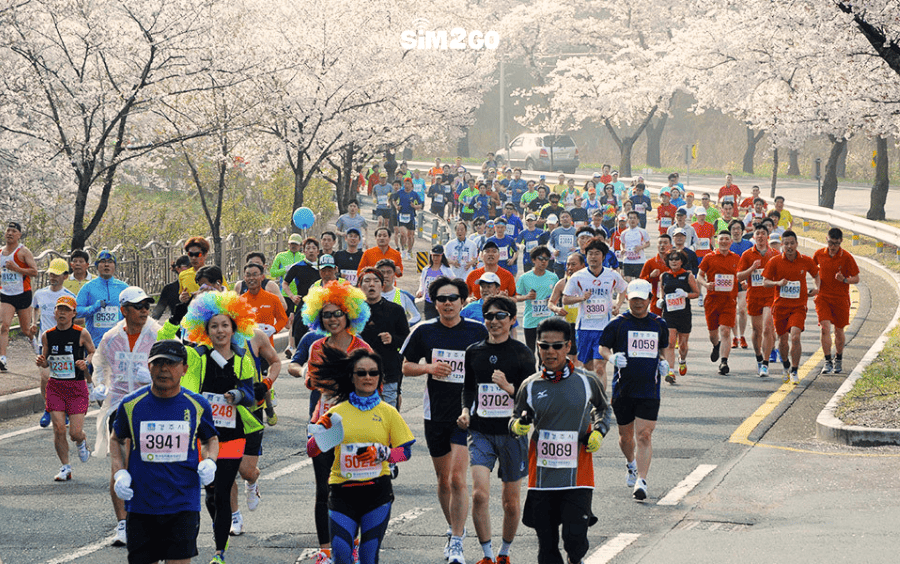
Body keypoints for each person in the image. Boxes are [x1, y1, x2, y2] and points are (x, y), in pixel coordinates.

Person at [401, 277, 489, 564]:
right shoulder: (424, 331)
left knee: (456, 478)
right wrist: (428, 367)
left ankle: (457, 540)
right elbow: (405, 366)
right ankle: (453, 529)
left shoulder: (477, 331)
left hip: (468, 414)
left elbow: (492, 361)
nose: (447, 303)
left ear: (462, 301)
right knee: (442, 481)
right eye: (441, 299)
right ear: (435, 303)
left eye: (453, 298)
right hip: (435, 412)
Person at [110, 340, 219, 564]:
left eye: (171, 363)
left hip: (182, 503)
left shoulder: (196, 405)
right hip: (142, 504)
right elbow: (117, 439)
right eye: (158, 363)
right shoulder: (131, 404)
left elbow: (210, 439)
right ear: (149, 367)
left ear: (184, 368)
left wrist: (211, 462)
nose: (164, 369)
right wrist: (119, 472)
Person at [510, 317, 609, 564]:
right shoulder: (530, 386)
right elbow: (515, 419)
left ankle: (576, 559)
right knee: (547, 547)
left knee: (575, 540)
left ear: (568, 347)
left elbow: (604, 409)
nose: (550, 351)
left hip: (578, 476)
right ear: (538, 348)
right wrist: (518, 426)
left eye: (557, 346)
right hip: (542, 477)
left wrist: (598, 431)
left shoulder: (587, 381)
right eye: (544, 346)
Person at [306, 347, 415, 564]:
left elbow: (405, 453)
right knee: (342, 555)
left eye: (373, 373)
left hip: (377, 493)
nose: (368, 377)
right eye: (361, 373)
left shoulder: (388, 412)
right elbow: (312, 450)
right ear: (352, 377)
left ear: (380, 377)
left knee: (367, 556)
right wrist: (321, 430)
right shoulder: (336, 412)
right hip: (342, 493)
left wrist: (383, 453)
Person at [178, 291, 264, 564]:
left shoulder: (243, 358)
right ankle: (218, 529)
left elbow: (251, 396)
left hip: (234, 434)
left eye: (225, 325)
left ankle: (219, 552)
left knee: (224, 489)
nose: (220, 330)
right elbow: (189, 393)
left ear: (234, 327)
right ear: (206, 330)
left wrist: (239, 396)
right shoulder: (197, 357)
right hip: (204, 437)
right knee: (211, 491)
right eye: (214, 326)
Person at [458, 296, 534, 564]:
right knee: (479, 494)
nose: (494, 321)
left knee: (510, 502)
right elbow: (468, 388)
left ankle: (504, 553)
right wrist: (466, 411)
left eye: (500, 316)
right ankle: (487, 555)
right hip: (480, 432)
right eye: (489, 316)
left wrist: (509, 388)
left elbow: (531, 397)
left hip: (513, 433)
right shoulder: (474, 351)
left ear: (513, 319)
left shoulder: (523, 353)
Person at [303, 280, 373, 564]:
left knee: (352, 488)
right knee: (324, 489)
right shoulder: (317, 346)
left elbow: (371, 386)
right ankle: (326, 549)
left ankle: (353, 545)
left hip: (356, 427)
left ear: (349, 315)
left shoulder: (362, 347)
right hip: (324, 424)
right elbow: (316, 382)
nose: (332, 319)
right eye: (326, 314)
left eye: (337, 313)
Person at [91, 286, 159, 546]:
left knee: (144, 464)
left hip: (151, 404)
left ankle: (145, 517)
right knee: (119, 463)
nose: (144, 310)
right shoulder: (111, 337)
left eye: (146, 306)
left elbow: (179, 363)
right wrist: (98, 386)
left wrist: (151, 376)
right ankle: (122, 524)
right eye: (138, 306)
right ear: (124, 310)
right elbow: (99, 364)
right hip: (119, 405)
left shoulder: (157, 333)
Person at [598, 279, 668, 501]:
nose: (638, 303)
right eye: (634, 298)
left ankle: (642, 480)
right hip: (624, 388)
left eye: (642, 299)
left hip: (649, 388)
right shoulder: (618, 323)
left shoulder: (659, 323)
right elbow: (602, 347)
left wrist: (666, 363)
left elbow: (664, 348)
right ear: (628, 298)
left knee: (644, 435)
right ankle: (631, 463)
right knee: (626, 437)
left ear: (650, 299)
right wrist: (612, 358)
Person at [35, 295, 95, 481]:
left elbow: (93, 351)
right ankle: (65, 467)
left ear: (73, 313)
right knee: (59, 428)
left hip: (76, 388)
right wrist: (42, 361)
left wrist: (86, 362)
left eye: (66, 310)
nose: (62, 313)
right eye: (59, 309)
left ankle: (81, 440)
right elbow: (45, 363)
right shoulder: (48, 335)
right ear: (54, 312)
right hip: (55, 387)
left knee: (74, 432)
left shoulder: (81, 333)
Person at [562, 237, 627, 380]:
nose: (593, 257)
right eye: (590, 253)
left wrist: (618, 304)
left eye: (597, 253)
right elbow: (565, 299)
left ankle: (600, 401)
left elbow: (623, 289)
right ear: (586, 256)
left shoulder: (611, 275)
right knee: (587, 367)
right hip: (584, 327)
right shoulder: (578, 277)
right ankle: (592, 395)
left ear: (603, 256)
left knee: (599, 367)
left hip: (604, 327)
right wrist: (581, 298)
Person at [763, 230, 820, 384]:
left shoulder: (805, 260)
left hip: (798, 307)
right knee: (782, 341)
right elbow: (765, 282)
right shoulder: (775, 261)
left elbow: (816, 275)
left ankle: (794, 369)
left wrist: (816, 288)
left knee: (795, 336)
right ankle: (786, 364)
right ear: (782, 245)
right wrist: (777, 283)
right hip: (780, 307)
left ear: (796, 244)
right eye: (786, 243)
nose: (789, 246)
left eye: (792, 243)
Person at [31, 258, 77, 428]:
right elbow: (34, 307)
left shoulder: (70, 297)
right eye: (51, 273)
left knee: (62, 379)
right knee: (45, 377)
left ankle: (61, 410)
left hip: (65, 343)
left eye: (56, 274)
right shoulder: (40, 294)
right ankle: (48, 408)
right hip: (45, 342)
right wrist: (33, 323)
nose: (52, 277)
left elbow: (75, 317)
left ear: (65, 276)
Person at [358, 268, 409, 410]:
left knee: (388, 422)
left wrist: (392, 339)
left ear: (382, 285)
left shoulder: (395, 310)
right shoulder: (353, 312)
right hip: (359, 377)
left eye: (375, 281)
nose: (371, 285)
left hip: (389, 375)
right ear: (360, 286)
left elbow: (407, 340)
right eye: (366, 281)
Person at [813, 228, 860, 374]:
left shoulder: (846, 257)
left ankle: (838, 358)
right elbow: (812, 270)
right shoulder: (819, 254)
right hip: (823, 298)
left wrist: (845, 279)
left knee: (839, 331)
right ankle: (827, 361)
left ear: (841, 242)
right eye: (830, 243)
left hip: (840, 299)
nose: (833, 247)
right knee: (824, 328)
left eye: (836, 244)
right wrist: (815, 286)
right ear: (826, 239)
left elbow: (857, 278)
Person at [737, 226, 779, 377]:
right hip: (754, 296)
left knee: (767, 328)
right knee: (756, 331)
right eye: (758, 234)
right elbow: (738, 276)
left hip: (770, 296)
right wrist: (752, 269)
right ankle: (759, 358)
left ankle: (766, 364)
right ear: (754, 237)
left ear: (767, 236)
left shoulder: (775, 254)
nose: (760, 236)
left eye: (763, 233)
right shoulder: (747, 255)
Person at [698, 231, 741, 375]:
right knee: (713, 334)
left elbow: (740, 276)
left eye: (726, 239)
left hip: (729, 301)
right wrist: (705, 284)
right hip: (712, 300)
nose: (723, 241)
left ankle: (724, 362)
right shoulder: (709, 257)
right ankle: (716, 346)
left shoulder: (736, 258)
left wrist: (744, 283)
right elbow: (699, 275)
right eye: (721, 239)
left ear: (730, 242)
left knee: (725, 330)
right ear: (717, 241)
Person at [0, 221, 39, 370]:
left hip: (23, 293)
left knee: (25, 330)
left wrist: (16, 268)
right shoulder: (0, 252)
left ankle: (32, 340)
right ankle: (2, 358)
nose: (10, 233)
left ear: (19, 235)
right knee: (4, 326)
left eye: (13, 231)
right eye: (8, 230)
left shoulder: (23, 252)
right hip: (6, 294)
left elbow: (34, 272)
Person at [658, 251, 700, 383]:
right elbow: (662, 292)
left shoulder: (688, 275)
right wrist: (660, 300)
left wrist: (686, 295)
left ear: (682, 261)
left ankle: (682, 360)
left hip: (684, 314)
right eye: (671, 259)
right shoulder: (664, 276)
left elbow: (697, 293)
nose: (674, 261)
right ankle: (671, 372)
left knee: (683, 345)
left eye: (677, 259)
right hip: (669, 313)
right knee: (670, 343)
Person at [76, 249, 129, 347]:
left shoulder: (124, 287)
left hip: (118, 343)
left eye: (110, 262)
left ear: (114, 266)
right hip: (94, 344)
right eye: (103, 262)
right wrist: (93, 308)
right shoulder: (88, 287)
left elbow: (133, 312)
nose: (106, 265)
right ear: (97, 266)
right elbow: (77, 311)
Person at [516, 246, 559, 353]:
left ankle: (544, 369)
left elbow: (559, 295)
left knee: (545, 352)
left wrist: (553, 299)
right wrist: (526, 297)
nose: (543, 262)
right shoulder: (524, 277)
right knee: (530, 352)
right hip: (530, 320)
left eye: (546, 259)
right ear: (533, 260)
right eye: (540, 259)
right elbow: (515, 297)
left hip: (548, 321)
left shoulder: (553, 277)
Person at [271, 234, 306, 357]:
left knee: (292, 319)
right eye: (292, 244)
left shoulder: (303, 257)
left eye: (296, 244)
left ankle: (290, 346)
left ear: (300, 246)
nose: (293, 246)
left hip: (298, 294)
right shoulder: (281, 256)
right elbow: (272, 272)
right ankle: (290, 344)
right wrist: (285, 270)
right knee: (287, 323)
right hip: (284, 294)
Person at [283, 238, 322, 345]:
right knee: (301, 335)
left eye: (314, 248)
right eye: (308, 248)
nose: (311, 251)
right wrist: (292, 296)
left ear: (318, 251)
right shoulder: (297, 267)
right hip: (303, 305)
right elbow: (285, 283)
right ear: (303, 251)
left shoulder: (323, 267)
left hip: (320, 305)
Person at [729, 220, 753, 349]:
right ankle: (735, 337)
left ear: (742, 231)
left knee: (742, 309)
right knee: (732, 310)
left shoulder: (749, 244)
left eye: (738, 228)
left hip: (744, 282)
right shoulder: (726, 244)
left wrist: (747, 279)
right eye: (734, 229)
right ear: (730, 231)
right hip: (730, 282)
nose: (736, 231)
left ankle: (742, 335)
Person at [153, 256, 192, 320]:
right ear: (178, 269)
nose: (191, 270)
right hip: (177, 326)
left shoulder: (202, 285)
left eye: (192, 267)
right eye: (188, 266)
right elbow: (158, 311)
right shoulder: (169, 289)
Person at [392, 177, 423, 259]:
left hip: (411, 217)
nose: (407, 185)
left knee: (410, 236)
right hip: (402, 216)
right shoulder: (400, 192)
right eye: (405, 183)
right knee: (403, 234)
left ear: (411, 185)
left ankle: (409, 251)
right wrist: (396, 206)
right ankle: (403, 250)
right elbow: (393, 200)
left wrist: (415, 206)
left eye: (408, 183)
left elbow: (420, 205)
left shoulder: (414, 194)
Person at [619, 211, 651, 281]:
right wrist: (622, 249)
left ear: (638, 220)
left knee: (638, 280)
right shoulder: (624, 233)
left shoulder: (642, 231)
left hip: (639, 260)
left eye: (634, 218)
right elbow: (622, 243)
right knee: (627, 280)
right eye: (630, 218)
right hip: (627, 260)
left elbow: (648, 243)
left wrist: (641, 247)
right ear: (627, 220)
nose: (632, 220)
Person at [547, 211, 578, 279]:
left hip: (572, 262)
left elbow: (581, 245)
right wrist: (553, 251)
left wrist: (576, 249)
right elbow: (549, 244)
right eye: (563, 217)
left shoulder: (576, 231)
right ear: (560, 220)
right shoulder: (555, 231)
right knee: (559, 281)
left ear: (571, 219)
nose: (565, 219)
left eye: (567, 217)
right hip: (559, 261)